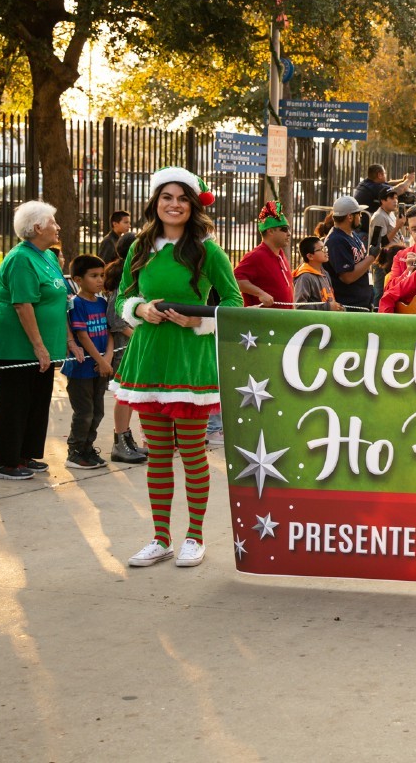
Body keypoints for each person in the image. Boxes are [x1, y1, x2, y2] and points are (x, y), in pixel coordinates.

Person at [113, 167, 243, 569]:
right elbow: (121, 299)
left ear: (192, 204)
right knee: (158, 454)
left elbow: (235, 303)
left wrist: (199, 321)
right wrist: (140, 309)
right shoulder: (138, 247)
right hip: (149, 358)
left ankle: (195, 536)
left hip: (190, 362)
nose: (174, 204)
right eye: (167, 197)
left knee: (191, 453)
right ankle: (160, 537)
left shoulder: (208, 250)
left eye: (182, 198)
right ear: (155, 201)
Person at [0, 200, 72, 480]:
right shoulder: (21, 258)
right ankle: (2, 461)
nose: (58, 227)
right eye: (52, 223)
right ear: (37, 227)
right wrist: (38, 346)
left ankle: (24, 454)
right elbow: (23, 305)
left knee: (36, 401)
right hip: (18, 344)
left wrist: (66, 340)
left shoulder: (45, 254)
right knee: (15, 401)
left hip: (44, 343)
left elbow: (59, 298)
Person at [63, 255, 115, 470]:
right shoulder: (76, 303)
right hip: (81, 369)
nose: (100, 280)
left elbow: (111, 332)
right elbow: (82, 336)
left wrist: (107, 359)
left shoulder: (102, 302)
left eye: (101, 275)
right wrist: (99, 360)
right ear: (78, 279)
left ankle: (87, 448)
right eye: (93, 276)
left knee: (98, 411)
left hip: (100, 367)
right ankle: (75, 451)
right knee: (84, 412)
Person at [100, 257, 147, 464]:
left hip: (133, 349)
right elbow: (116, 321)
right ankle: (120, 442)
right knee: (124, 397)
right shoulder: (122, 286)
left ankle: (127, 439)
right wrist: (138, 337)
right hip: (123, 351)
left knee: (131, 398)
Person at [233, 202, 294, 309]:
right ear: (270, 231)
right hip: (263, 323)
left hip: (283, 321)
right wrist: (260, 293)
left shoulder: (280, 254)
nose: (289, 233)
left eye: (289, 229)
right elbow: (235, 280)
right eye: (284, 229)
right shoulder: (256, 256)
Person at [323, 194, 376, 312]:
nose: (361, 216)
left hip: (362, 303)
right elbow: (347, 277)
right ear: (350, 217)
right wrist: (371, 257)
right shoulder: (336, 241)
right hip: (349, 306)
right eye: (359, 213)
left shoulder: (351, 234)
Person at [366, 189, 408, 310]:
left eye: (396, 198)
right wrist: (397, 227)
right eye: (391, 198)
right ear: (382, 201)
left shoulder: (390, 214)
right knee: (380, 292)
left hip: (392, 258)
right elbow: (378, 242)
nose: (395, 201)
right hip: (382, 260)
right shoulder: (379, 216)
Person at [293, 237, 341, 310]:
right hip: (314, 321)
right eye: (322, 249)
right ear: (310, 256)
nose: (326, 251)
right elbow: (300, 306)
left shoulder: (325, 273)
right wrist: (328, 307)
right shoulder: (305, 277)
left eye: (325, 248)